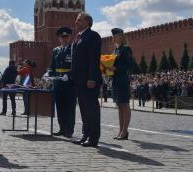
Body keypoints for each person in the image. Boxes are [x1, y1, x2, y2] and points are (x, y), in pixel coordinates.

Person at [71, 12, 102, 147]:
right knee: (84, 110)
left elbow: (93, 59)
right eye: (76, 20)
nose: (76, 22)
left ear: (87, 22)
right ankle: (85, 135)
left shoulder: (92, 36)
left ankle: (93, 138)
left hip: (89, 81)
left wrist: (91, 78)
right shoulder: (78, 37)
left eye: (79, 20)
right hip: (79, 81)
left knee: (91, 110)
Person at [48, 27, 76, 138]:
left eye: (66, 37)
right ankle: (62, 128)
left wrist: (68, 75)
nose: (64, 39)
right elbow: (52, 66)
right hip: (57, 81)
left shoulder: (73, 49)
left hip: (69, 82)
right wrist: (48, 73)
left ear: (69, 37)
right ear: (59, 38)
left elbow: (75, 66)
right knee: (59, 106)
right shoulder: (56, 50)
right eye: (62, 37)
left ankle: (69, 130)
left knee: (69, 106)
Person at [105, 28, 133, 140]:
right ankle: (121, 130)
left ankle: (125, 131)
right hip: (115, 79)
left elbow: (129, 65)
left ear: (122, 37)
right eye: (113, 36)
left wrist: (115, 68)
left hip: (123, 79)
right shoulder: (115, 50)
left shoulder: (126, 49)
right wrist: (107, 69)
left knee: (125, 104)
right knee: (119, 105)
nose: (114, 38)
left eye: (116, 36)